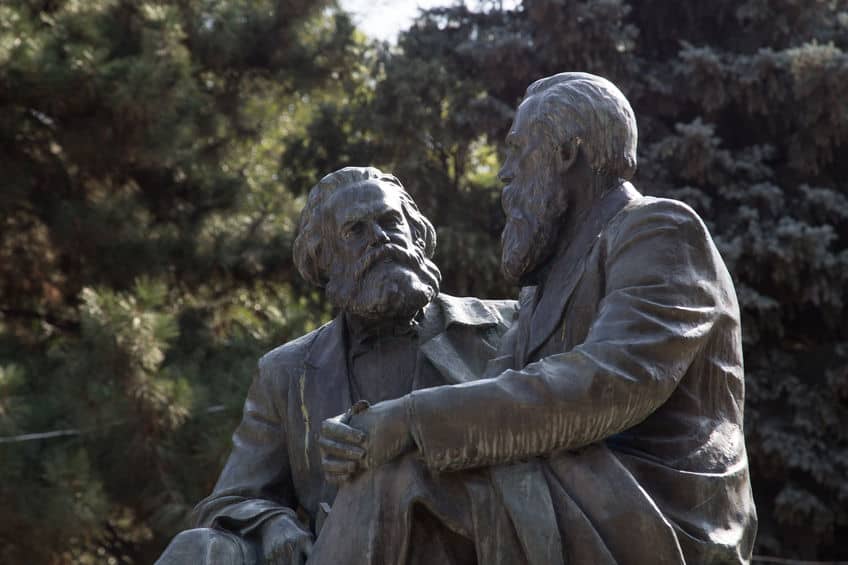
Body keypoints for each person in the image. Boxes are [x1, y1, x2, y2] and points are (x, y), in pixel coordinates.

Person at [322, 73, 758, 564]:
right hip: (570, 486)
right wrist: (371, 429)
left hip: (654, 506)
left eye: (517, 151)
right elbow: (500, 391)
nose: (505, 174)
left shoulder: (658, 229)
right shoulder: (541, 287)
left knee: (396, 484)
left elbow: (609, 384)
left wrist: (409, 418)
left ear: (567, 154)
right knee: (396, 476)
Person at [155, 167, 516, 564]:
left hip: (473, 540)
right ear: (324, 259)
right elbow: (231, 501)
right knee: (198, 549)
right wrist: (274, 524)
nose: (379, 239)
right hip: (341, 550)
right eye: (355, 231)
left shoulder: (504, 328)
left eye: (390, 221)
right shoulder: (287, 373)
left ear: (416, 232)